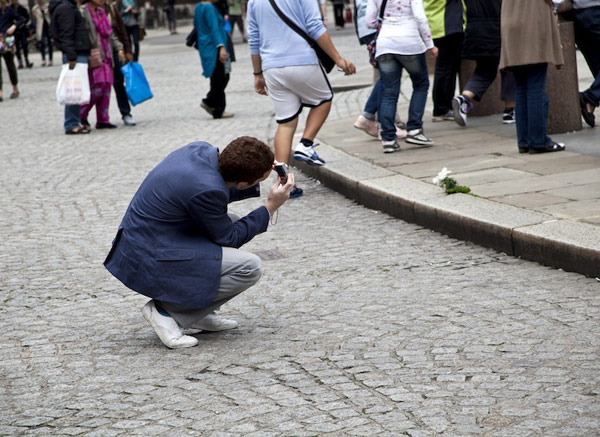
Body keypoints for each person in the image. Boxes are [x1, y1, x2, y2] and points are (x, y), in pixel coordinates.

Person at [104, 137, 295, 349]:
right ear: (242, 183)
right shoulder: (208, 189)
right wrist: (270, 207)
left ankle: (199, 311)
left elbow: (215, 189)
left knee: (230, 220)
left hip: (150, 237)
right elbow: (229, 237)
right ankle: (167, 311)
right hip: (149, 255)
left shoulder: (201, 150)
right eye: (258, 180)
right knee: (249, 267)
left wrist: (258, 171)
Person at [248, 0, 355, 197]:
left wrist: (257, 74)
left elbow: (254, 38)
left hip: (272, 67)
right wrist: (338, 59)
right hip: (302, 60)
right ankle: (306, 144)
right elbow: (314, 26)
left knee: (286, 122)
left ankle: (283, 182)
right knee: (324, 99)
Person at [366, 0, 437, 153]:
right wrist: (430, 44)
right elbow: (420, 18)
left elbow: (370, 22)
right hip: (409, 42)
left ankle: (388, 139)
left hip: (385, 44)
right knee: (421, 84)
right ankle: (414, 129)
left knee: (389, 92)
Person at [500, 0, 565, 153]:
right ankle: (538, 141)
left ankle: (524, 141)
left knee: (521, 86)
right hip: (533, 21)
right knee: (536, 84)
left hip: (510, 20)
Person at [451, 0, 516, 127]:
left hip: (475, 30)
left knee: (484, 71)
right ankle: (510, 111)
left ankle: (464, 98)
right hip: (498, 28)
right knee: (509, 67)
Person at [352, 0, 406, 139]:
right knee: (389, 76)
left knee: (384, 76)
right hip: (377, 24)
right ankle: (383, 123)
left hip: (370, 23)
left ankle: (375, 118)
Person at [79, 0, 122, 130]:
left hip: (106, 53)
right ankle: (81, 114)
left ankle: (103, 119)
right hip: (94, 53)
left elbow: (110, 33)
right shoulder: (83, 12)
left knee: (107, 87)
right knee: (98, 86)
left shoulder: (101, 12)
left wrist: (119, 48)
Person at [50, 0, 91, 134]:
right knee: (73, 89)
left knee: (76, 89)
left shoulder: (68, 7)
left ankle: (74, 121)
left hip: (77, 52)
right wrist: (71, 55)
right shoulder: (65, 8)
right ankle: (71, 123)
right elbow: (66, 34)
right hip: (75, 54)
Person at [423, 0, 463, 122]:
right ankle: (441, 109)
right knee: (447, 69)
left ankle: (443, 108)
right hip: (446, 24)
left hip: (438, 24)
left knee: (445, 69)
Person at [195, 0, 233, 119]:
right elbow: (214, 28)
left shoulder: (199, 7)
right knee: (220, 77)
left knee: (217, 77)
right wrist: (221, 46)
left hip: (206, 45)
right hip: (214, 47)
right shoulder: (209, 8)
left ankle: (213, 104)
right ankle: (215, 107)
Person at [105, 0, 136, 126]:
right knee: (100, 87)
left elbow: (121, 30)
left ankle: (126, 113)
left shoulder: (112, 8)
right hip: (99, 53)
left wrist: (127, 50)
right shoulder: (89, 10)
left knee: (119, 83)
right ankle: (100, 117)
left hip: (115, 52)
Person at [569, 0, 600, 127]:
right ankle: (591, 97)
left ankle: (590, 103)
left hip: (576, 11)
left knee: (597, 63)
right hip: (593, 9)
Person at [0, 0, 20, 101]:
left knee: (10, 65)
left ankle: (15, 87)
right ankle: (0, 91)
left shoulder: (7, 10)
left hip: (6, 40)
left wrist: (14, 26)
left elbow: (20, 19)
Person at [9, 0, 32, 69]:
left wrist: (23, 22)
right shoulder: (10, 9)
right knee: (17, 47)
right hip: (14, 31)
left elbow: (27, 18)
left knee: (24, 45)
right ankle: (20, 61)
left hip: (22, 29)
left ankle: (26, 59)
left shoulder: (22, 8)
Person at [32, 0, 53, 66]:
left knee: (50, 43)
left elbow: (50, 15)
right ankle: (43, 60)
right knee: (42, 43)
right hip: (41, 27)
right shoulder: (36, 8)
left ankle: (50, 60)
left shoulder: (48, 6)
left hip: (48, 26)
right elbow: (34, 16)